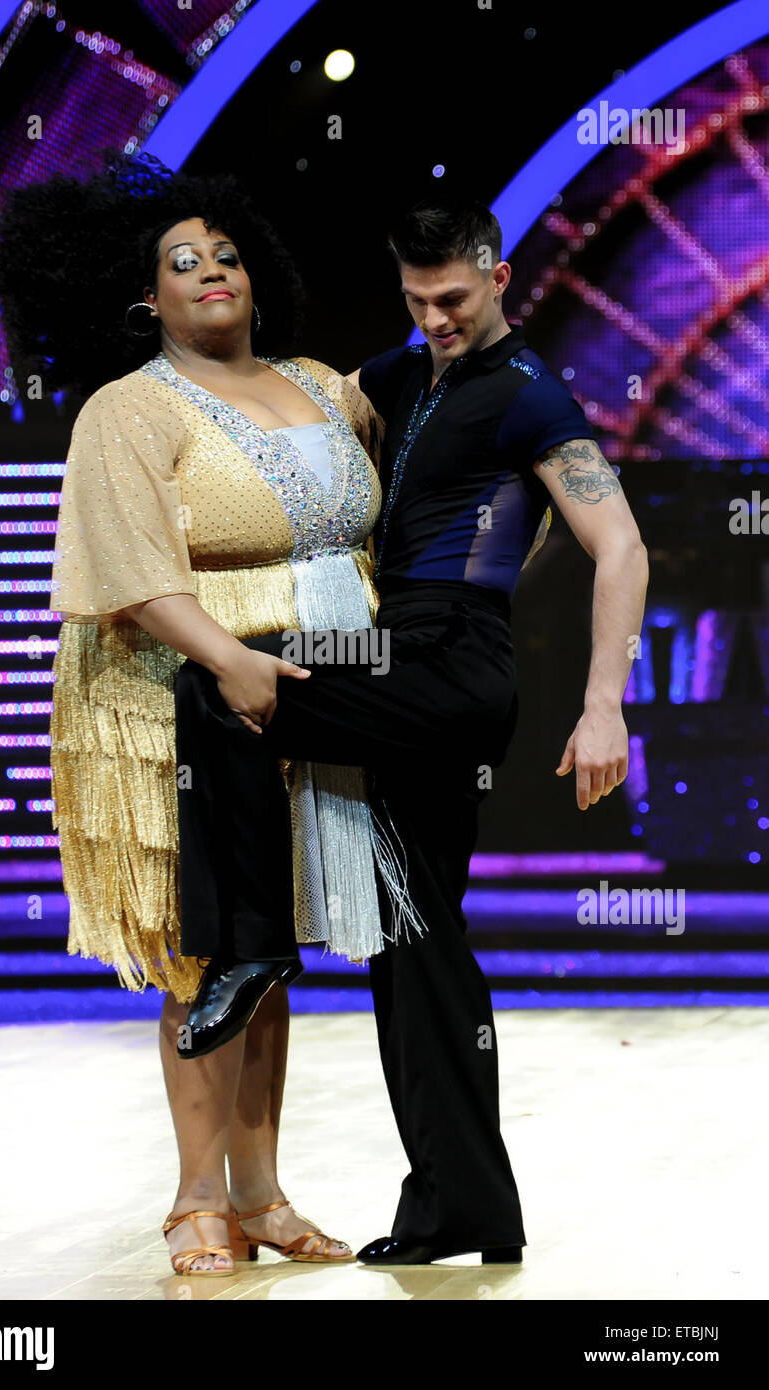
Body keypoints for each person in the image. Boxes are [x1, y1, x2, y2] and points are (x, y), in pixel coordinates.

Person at [174, 195, 650, 1264]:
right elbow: (290, 411)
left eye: (451, 297)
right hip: (399, 650)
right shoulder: (400, 376)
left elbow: (616, 545)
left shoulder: (528, 394)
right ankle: (462, 1206)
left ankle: (252, 949)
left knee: (221, 680)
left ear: (496, 275)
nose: (433, 317)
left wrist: (601, 703)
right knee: (413, 937)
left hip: (441, 661)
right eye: (413, 299)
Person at [0, 149, 396, 1276]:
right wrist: (226, 659)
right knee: (204, 949)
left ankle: (260, 1193)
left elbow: (394, 498)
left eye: (225, 254)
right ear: (142, 299)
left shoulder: (321, 383)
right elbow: (125, 559)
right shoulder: (130, 408)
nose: (210, 269)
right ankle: (194, 1198)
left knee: (267, 952)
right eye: (181, 261)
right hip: (179, 690)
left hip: (314, 680)